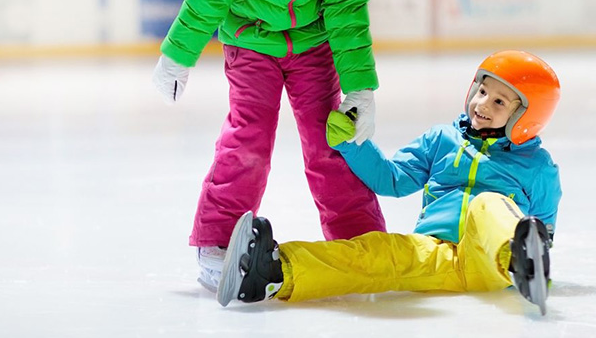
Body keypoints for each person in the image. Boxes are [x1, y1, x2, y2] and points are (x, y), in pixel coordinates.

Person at [151, 0, 386, 291]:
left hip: (312, 48)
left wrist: (360, 87)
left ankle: (358, 238)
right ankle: (217, 241)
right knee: (249, 139)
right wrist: (178, 55)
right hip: (251, 44)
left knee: (331, 143)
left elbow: (348, 18)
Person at [216, 50, 563, 314]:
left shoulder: (537, 167)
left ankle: (521, 262)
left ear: (526, 117)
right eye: (482, 90)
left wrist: (531, 248)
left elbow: (543, 228)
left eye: (500, 101)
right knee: (377, 252)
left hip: (492, 262)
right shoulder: (442, 141)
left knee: (488, 205)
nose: (482, 104)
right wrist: (354, 145)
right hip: (434, 253)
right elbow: (392, 179)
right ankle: (274, 271)